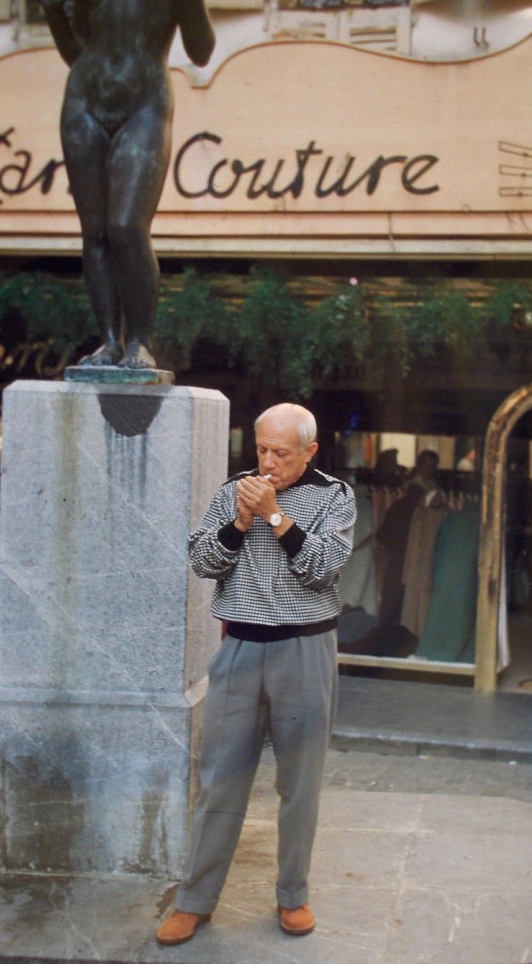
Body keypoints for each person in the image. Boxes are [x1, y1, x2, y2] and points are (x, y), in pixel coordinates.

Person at [156, 403, 356, 946]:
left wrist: (274, 516)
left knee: (299, 783)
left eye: (281, 453)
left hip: (305, 650)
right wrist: (241, 519)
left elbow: (321, 570)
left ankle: (293, 896)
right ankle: (194, 901)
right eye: (261, 450)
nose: (267, 462)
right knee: (220, 778)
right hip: (239, 648)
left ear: (310, 452)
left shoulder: (334, 497)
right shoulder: (232, 491)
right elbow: (201, 562)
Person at [41, 0, 215, 369]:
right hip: (84, 101)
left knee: (127, 226)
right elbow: (76, 54)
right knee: (96, 231)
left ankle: (140, 341)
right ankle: (109, 342)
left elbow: (201, 50)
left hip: (145, 104)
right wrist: (53, 12)